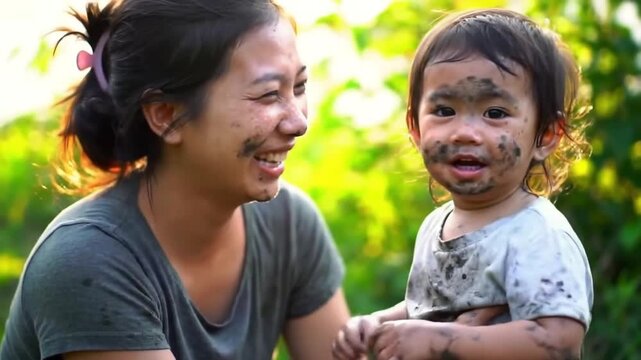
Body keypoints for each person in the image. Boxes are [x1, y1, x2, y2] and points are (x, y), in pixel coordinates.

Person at [0, 0, 350, 359]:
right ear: (166, 115)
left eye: (300, 86)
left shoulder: (288, 224)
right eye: (267, 95)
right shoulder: (89, 260)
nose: (299, 122)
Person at [332, 8, 593, 360]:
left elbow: (559, 342)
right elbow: (430, 311)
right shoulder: (435, 226)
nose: (465, 132)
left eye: (495, 113)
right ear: (415, 128)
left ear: (545, 135)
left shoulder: (536, 235)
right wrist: (379, 324)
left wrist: (441, 341)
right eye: (444, 111)